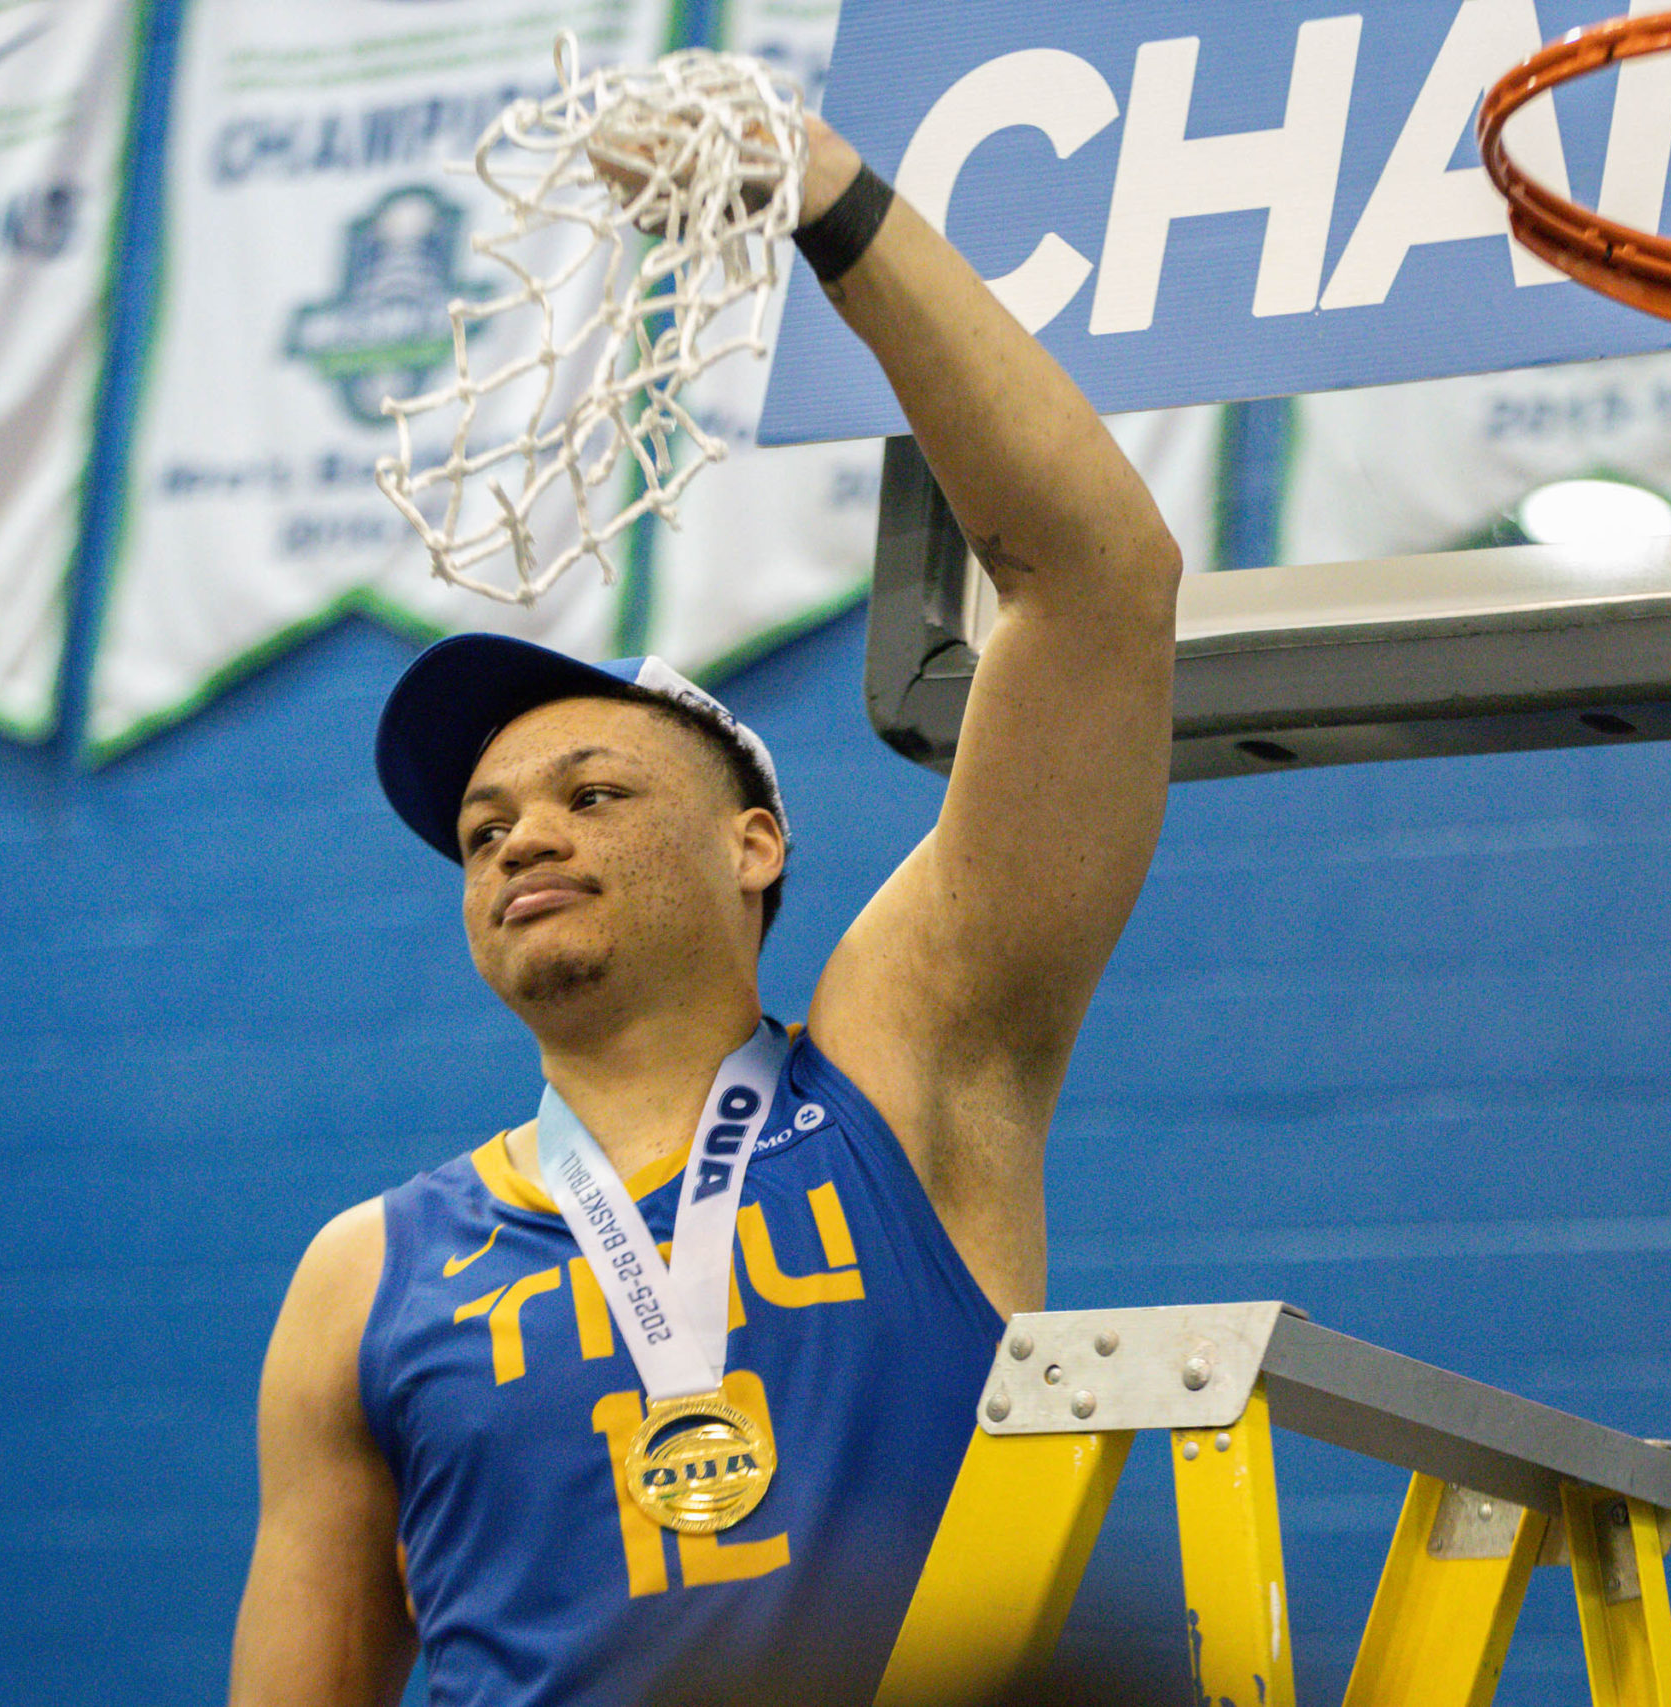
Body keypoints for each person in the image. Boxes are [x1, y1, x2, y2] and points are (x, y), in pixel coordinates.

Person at [226, 109, 1182, 1707]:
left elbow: (1098, 582)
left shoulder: (906, 1070)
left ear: (754, 845)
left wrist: (838, 209)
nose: (523, 836)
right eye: (482, 829)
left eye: (592, 794)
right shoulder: (364, 1274)